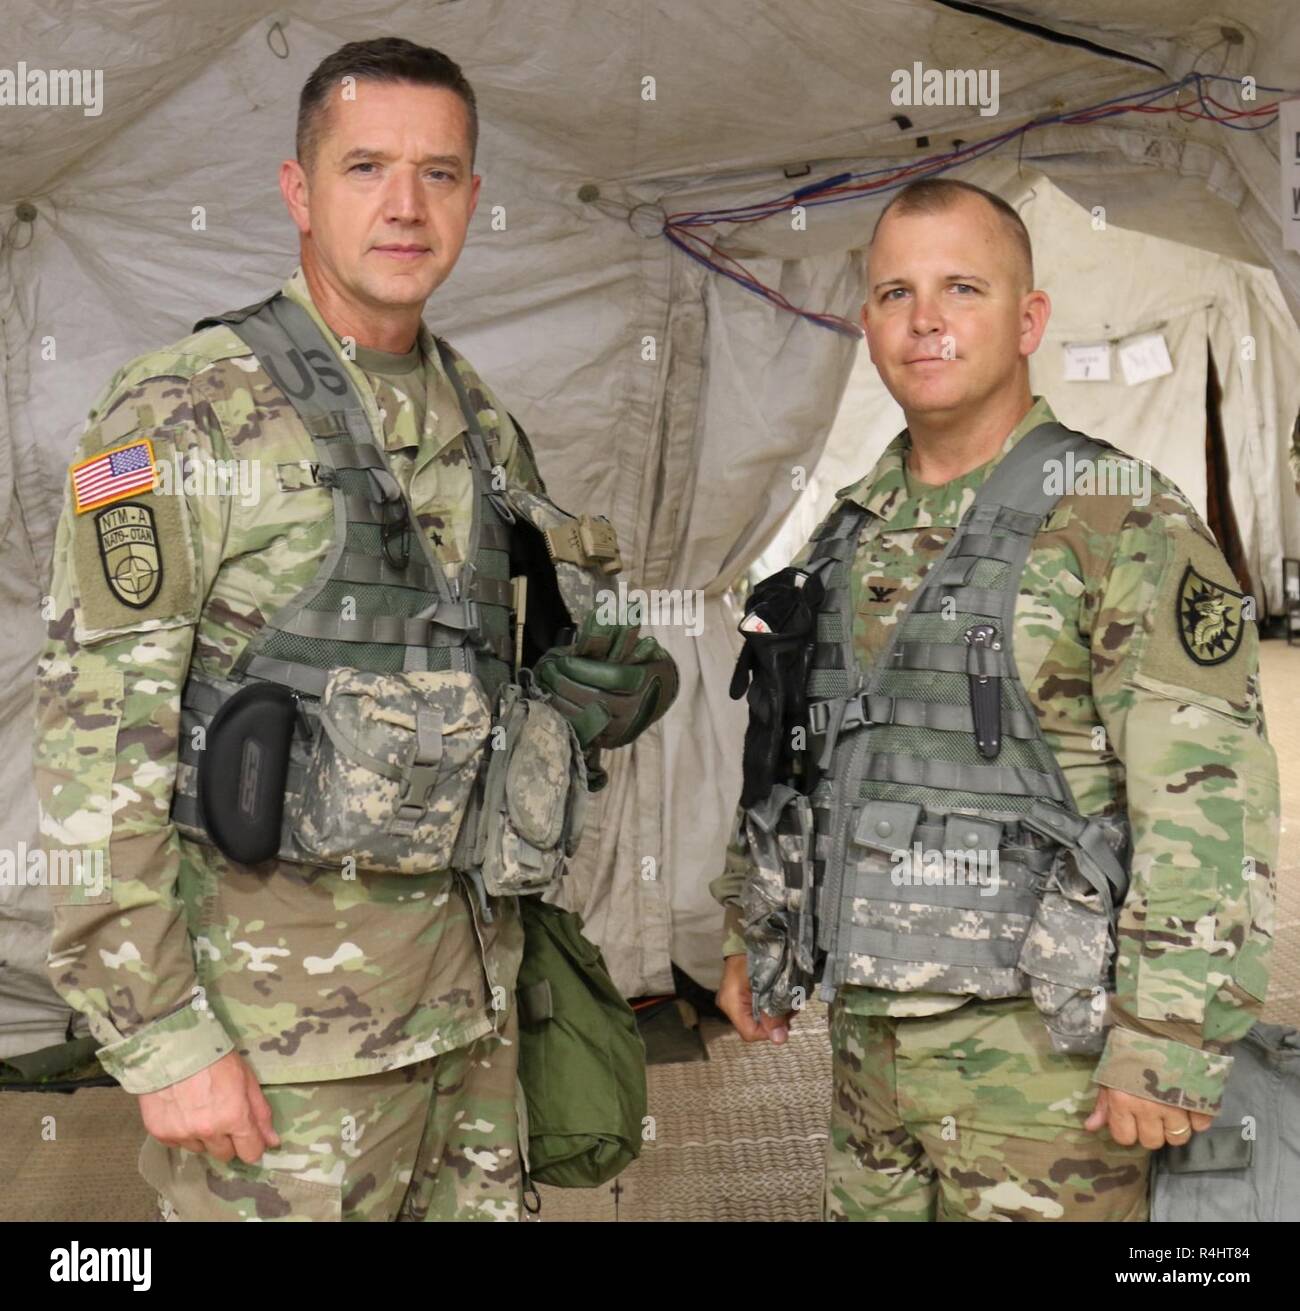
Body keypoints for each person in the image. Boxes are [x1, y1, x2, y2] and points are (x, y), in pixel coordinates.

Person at [34, 36, 674, 1222]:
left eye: (438, 174)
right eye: (366, 166)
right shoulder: (181, 409)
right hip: (278, 1045)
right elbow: (92, 744)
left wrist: (587, 689)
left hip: (470, 1021)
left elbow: (496, 689)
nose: (403, 205)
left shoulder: (478, 416)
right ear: (298, 189)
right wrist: (161, 1035)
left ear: (473, 199)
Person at [713, 177, 1278, 1222]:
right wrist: (757, 928)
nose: (923, 319)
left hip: (1045, 1066)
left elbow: (1207, 796)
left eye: (960, 287)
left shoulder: (1120, 519)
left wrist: (1166, 1035)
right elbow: (798, 759)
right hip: (867, 1050)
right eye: (893, 293)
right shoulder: (846, 535)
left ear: (1028, 320)